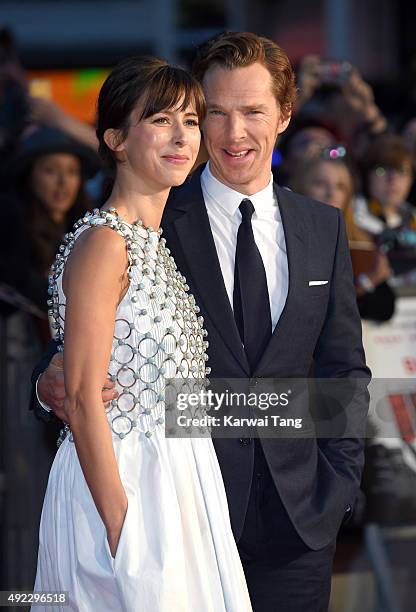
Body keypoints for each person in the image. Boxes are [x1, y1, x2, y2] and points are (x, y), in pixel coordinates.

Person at [34, 33, 370, 612]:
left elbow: (344, 368)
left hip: (300, 525)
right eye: (214, 113)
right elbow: (87, 344)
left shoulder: (323, 228)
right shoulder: (154, 213)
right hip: (174, 514)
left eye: (253, 112)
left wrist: (337, 487)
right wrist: (48, 382)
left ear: (284, 115)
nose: (234, 133)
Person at [31, 56, 252, 611]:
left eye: (192, 121)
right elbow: (82, 398)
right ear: (116, 139)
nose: (182, 137)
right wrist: (120, 524)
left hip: (181, 486)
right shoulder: (105, 245)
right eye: (160, 120)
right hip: (125, 488)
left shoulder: (153, 245)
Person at [0, 127, 99, 318]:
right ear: (29, 174)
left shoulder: (87, 225)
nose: (63, 182)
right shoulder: (11, 217)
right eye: (50, 170)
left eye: (72, 171)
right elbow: (22, 281)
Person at [291, 155, 395, 322]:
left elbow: (384, 308)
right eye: (320, 184)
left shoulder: (361, 242)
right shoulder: (284, 239)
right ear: (302, 187)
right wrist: (365, 283)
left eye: (340, 187)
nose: (331, 194)